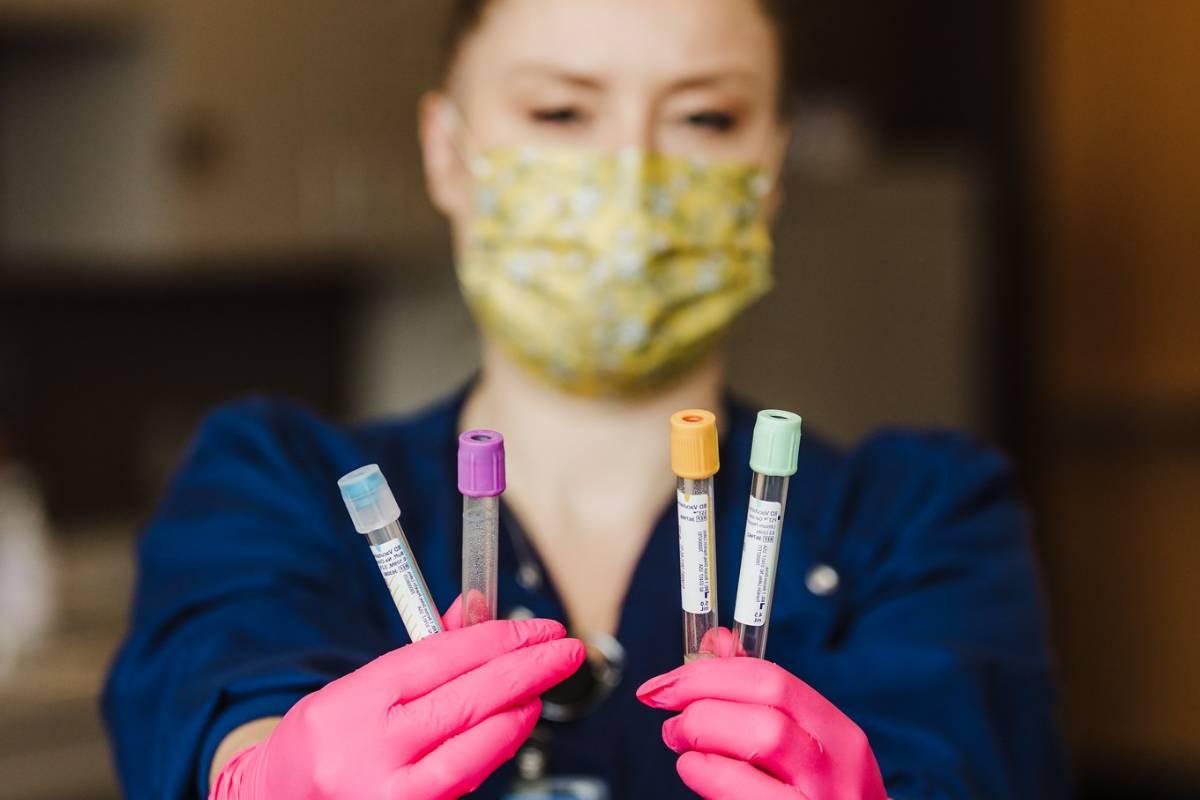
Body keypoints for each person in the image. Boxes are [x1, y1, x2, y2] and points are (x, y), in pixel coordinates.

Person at [102, 1, 1069, 798]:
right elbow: (226, 683)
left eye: (705, 119)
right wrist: (265, 779)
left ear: (771, 173)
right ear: (448, 151)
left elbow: (960, 747)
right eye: (562, 114)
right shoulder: (281, 484)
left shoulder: (922, 516)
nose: (630, 176)